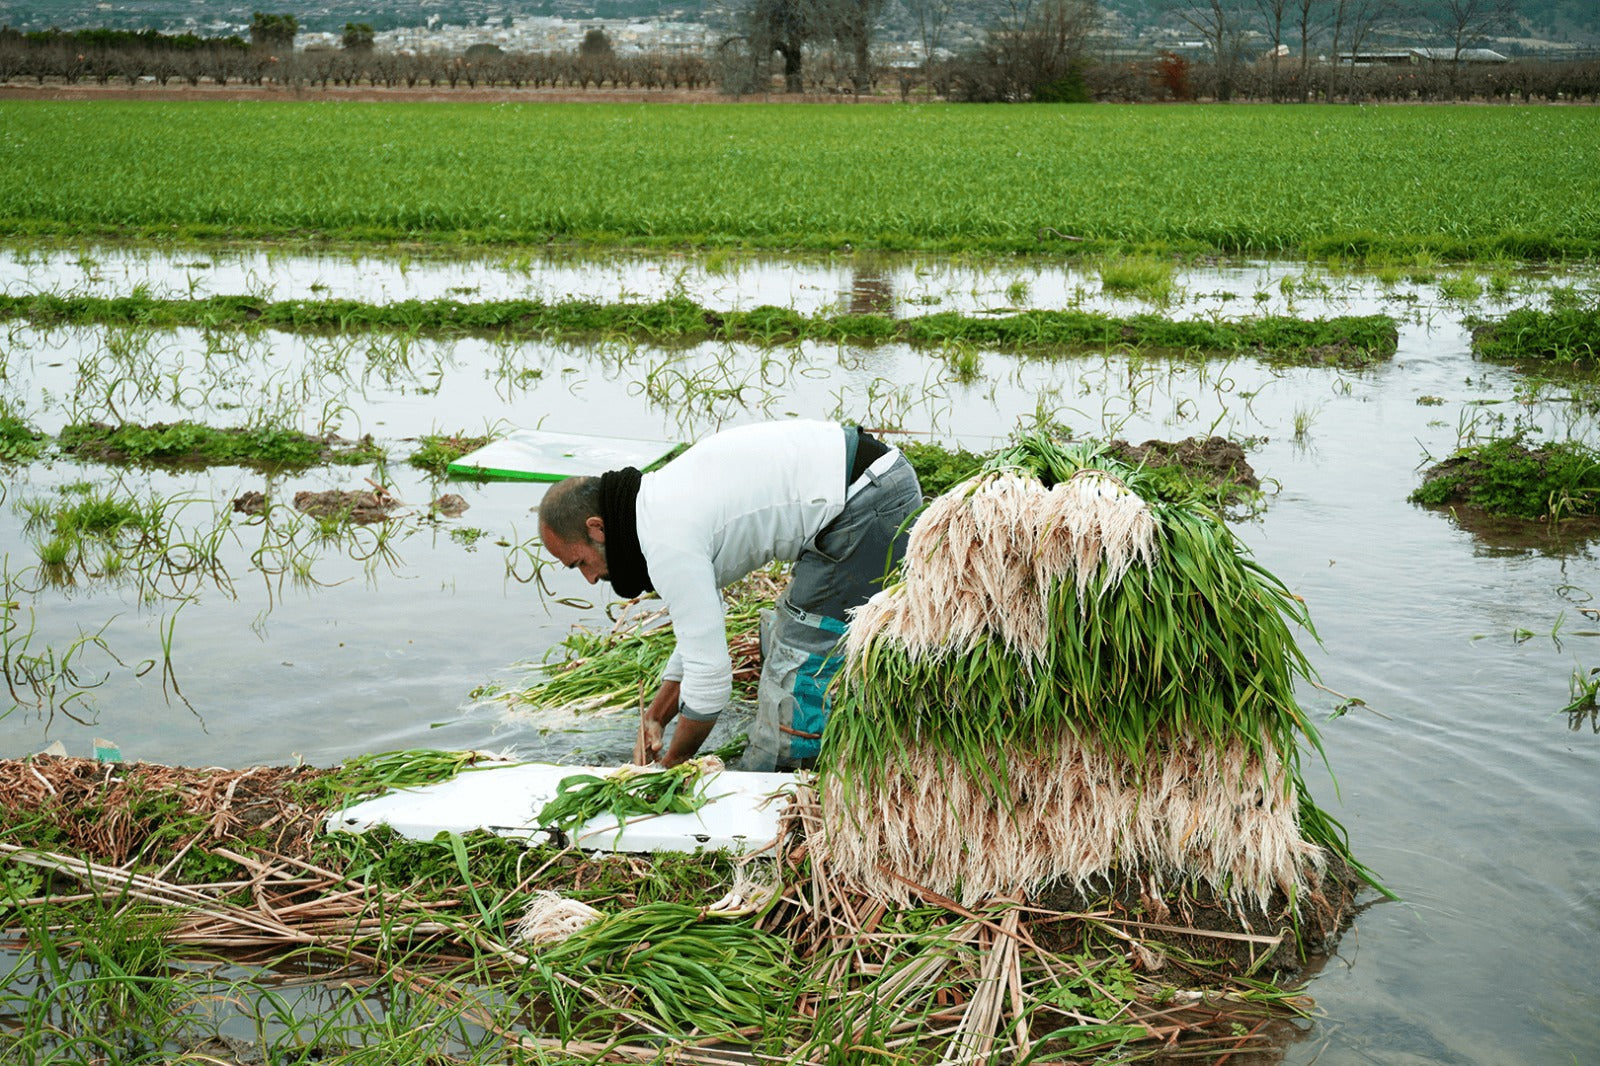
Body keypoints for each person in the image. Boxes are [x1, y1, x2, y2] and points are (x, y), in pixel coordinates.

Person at [537, 420, 922, 771]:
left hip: (869, 500)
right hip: (867, 482)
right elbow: (699, 633)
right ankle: (839, 739)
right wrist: (655, 715)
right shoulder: (654, 507)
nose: (588, 579)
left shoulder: (665, 539)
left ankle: (782, 780)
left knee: (798, 653)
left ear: (598, 529)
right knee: (792, 629)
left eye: (579, 563)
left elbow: (709, 681)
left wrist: (671, 767)